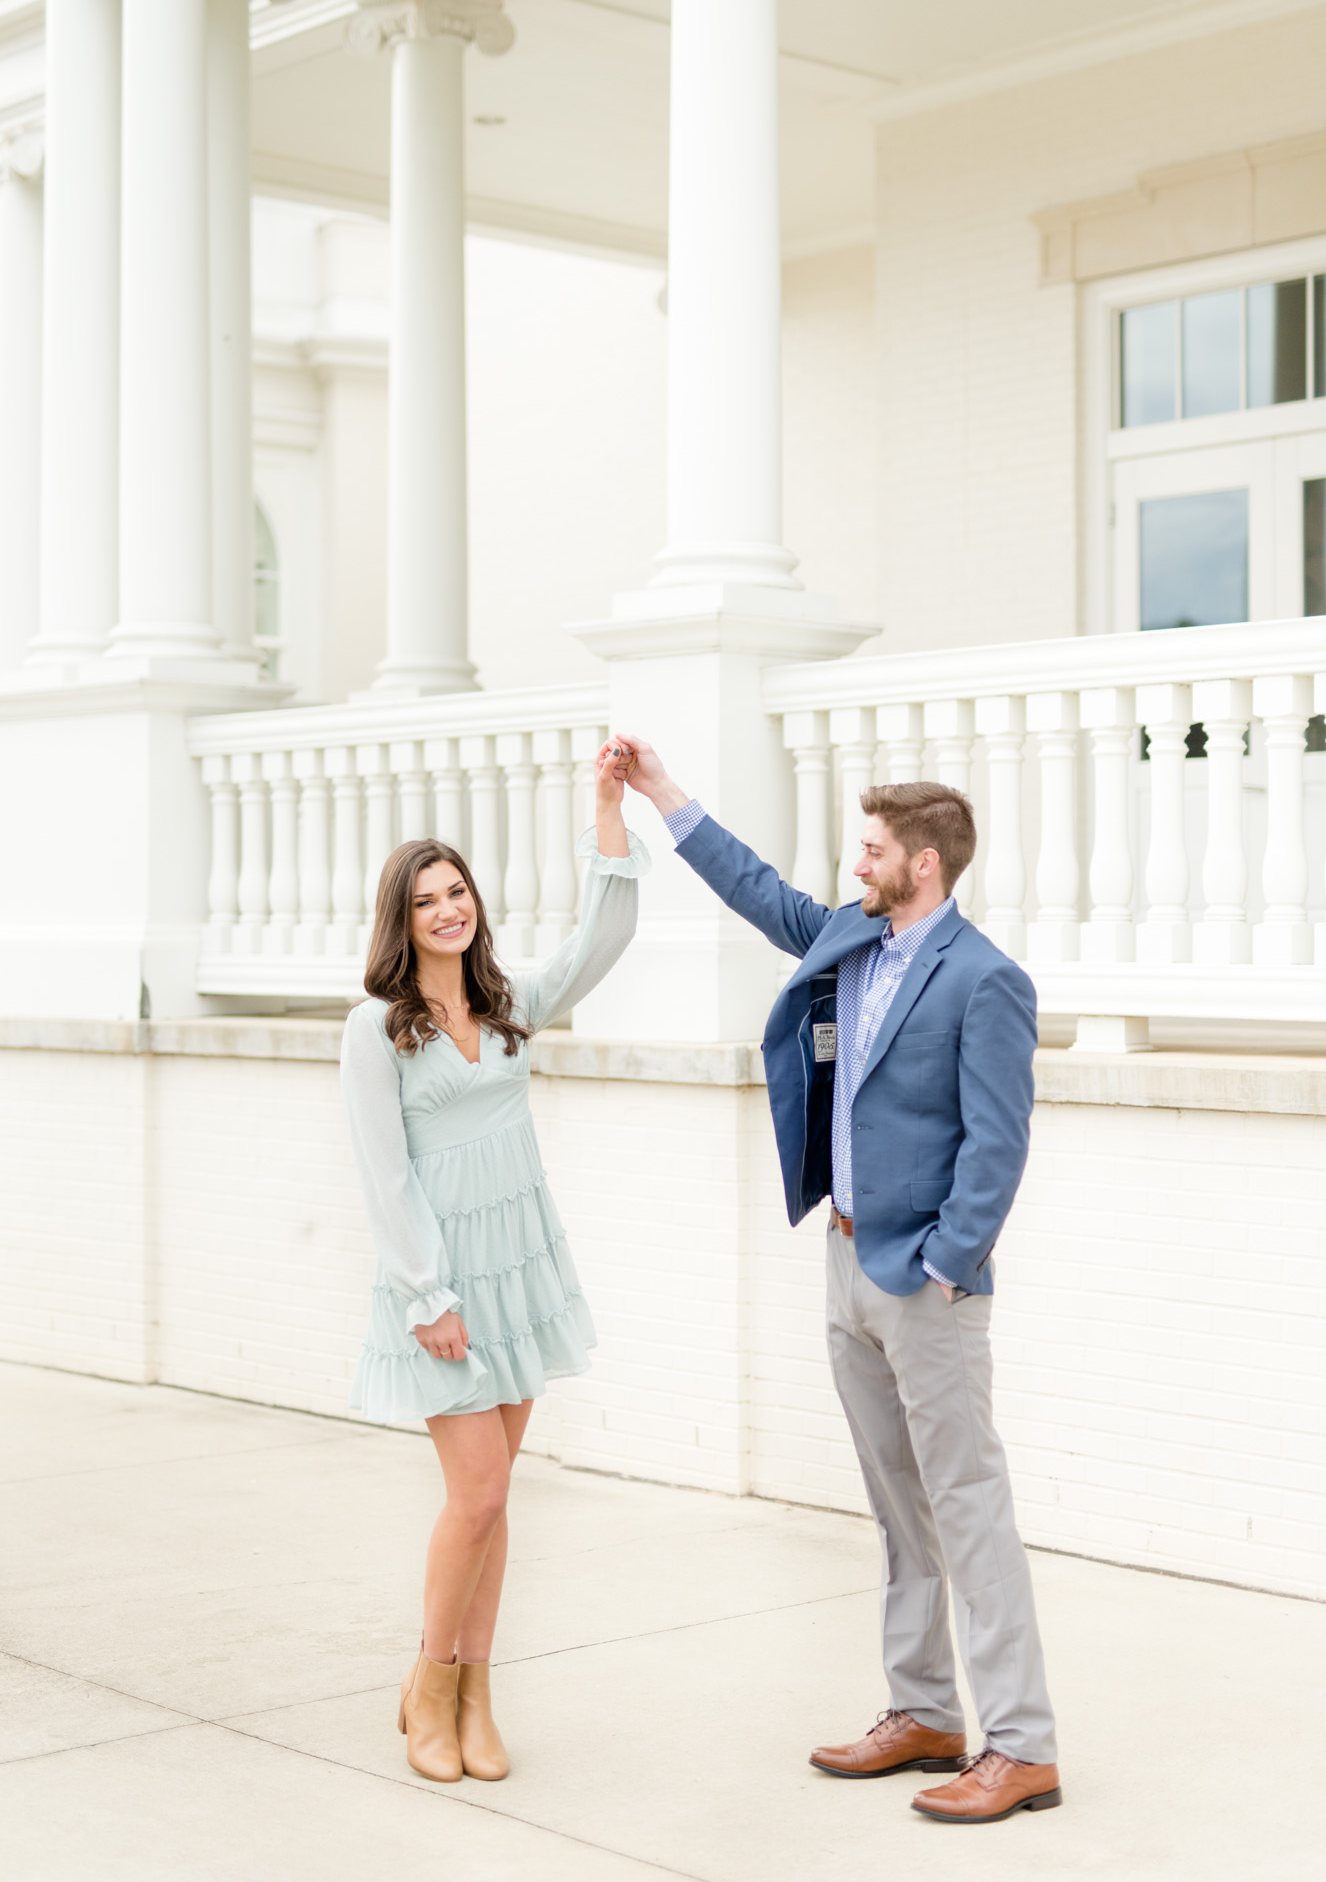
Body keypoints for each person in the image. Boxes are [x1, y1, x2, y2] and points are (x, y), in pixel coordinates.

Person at [610, 735, 1061, 1827]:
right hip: (844, 1259)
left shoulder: (985, 978)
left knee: (966, 1505)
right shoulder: (850, 939)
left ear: (923, 862)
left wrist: (946, 1266)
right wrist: (664, 791)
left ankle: (1021, 1744)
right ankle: (922, 1711)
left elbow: (996, 1143)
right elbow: (754, 887)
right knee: (898, 1507)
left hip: (925, 1282)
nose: (853, 864)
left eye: (870, 850)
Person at [339, 742, 648, 1785]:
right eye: (425, 898)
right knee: (472, 1494)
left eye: (456, 890)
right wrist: (426, 1292)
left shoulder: (508, 1003)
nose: (446, 909)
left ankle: (476, 1693)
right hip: (444, 1289)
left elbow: (603, 934)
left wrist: (605, 806)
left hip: (521, 1269)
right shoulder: (376, 1030)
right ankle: (428, 1684)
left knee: (496, 1497)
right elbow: (384, 1176)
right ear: (402, 917)